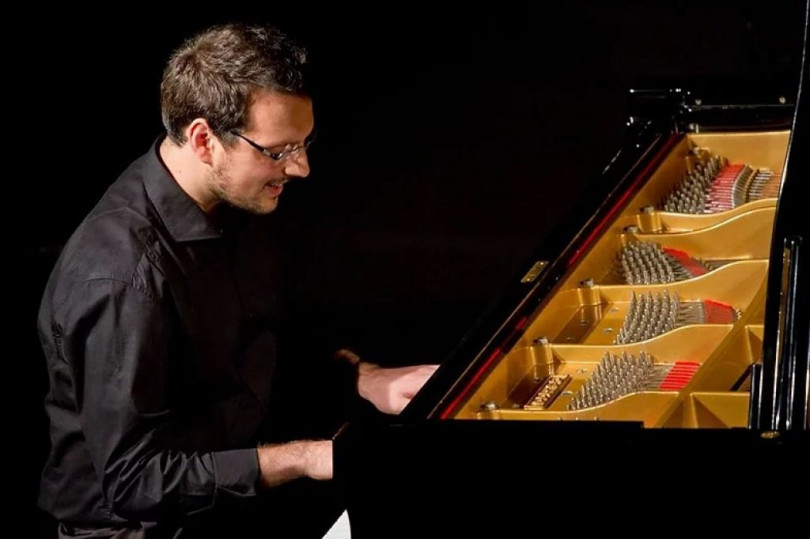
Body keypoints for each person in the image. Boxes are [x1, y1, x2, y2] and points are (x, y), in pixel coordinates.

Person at [37, 22, 438, 538]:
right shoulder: (122, 278)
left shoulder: (235, 202)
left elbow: (257, 347)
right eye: (278, 151)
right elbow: (137, 482)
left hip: (237, 503)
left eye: (305, 142)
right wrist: (307, 457)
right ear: (204, 139)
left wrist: (365, 379)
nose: (302, 168)